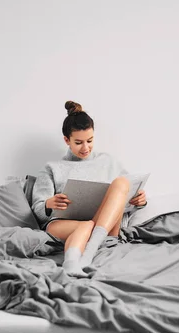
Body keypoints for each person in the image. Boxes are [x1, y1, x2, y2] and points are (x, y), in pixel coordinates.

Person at [31, 101, 147, 277]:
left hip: (105, 227)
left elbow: (124, 200)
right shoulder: (52, 168)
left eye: (90, 140)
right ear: (66, 140)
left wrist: (138, 201)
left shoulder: (109, 162)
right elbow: (37, 210)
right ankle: (73, 263)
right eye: (78, 142)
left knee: (122, 183)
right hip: (63, 225)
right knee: (85, 225)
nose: (85, 148)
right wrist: (49, 203)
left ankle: (89, 251)